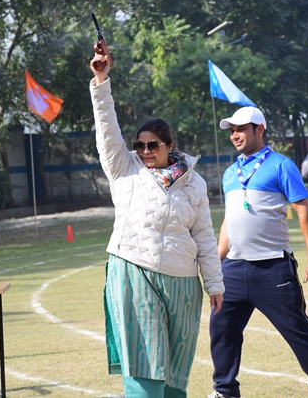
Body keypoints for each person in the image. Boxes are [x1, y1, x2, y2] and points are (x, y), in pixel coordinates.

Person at [89, 51, 224, 398]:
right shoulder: (124, 168)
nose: (145, 151)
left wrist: (215, 284)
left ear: (170, 145)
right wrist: (102, 81)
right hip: (135, 270)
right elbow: (107, 129)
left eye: (153, 145)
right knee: (145, 362)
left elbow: (205, 236)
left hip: (183, 282)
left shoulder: (194, 183)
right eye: (140, 145)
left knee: (176, 371)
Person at [208, 106, 308, 398]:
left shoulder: (281, 165)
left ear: (260, 129)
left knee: (297, 329)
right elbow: (229, 221)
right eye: (232, 131)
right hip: (232, 269)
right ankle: (225, 391)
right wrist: (215, 264)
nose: (235, 135)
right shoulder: (230, 172)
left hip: (272, 268)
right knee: (222, 331)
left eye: (241, 129)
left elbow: (303, 211)